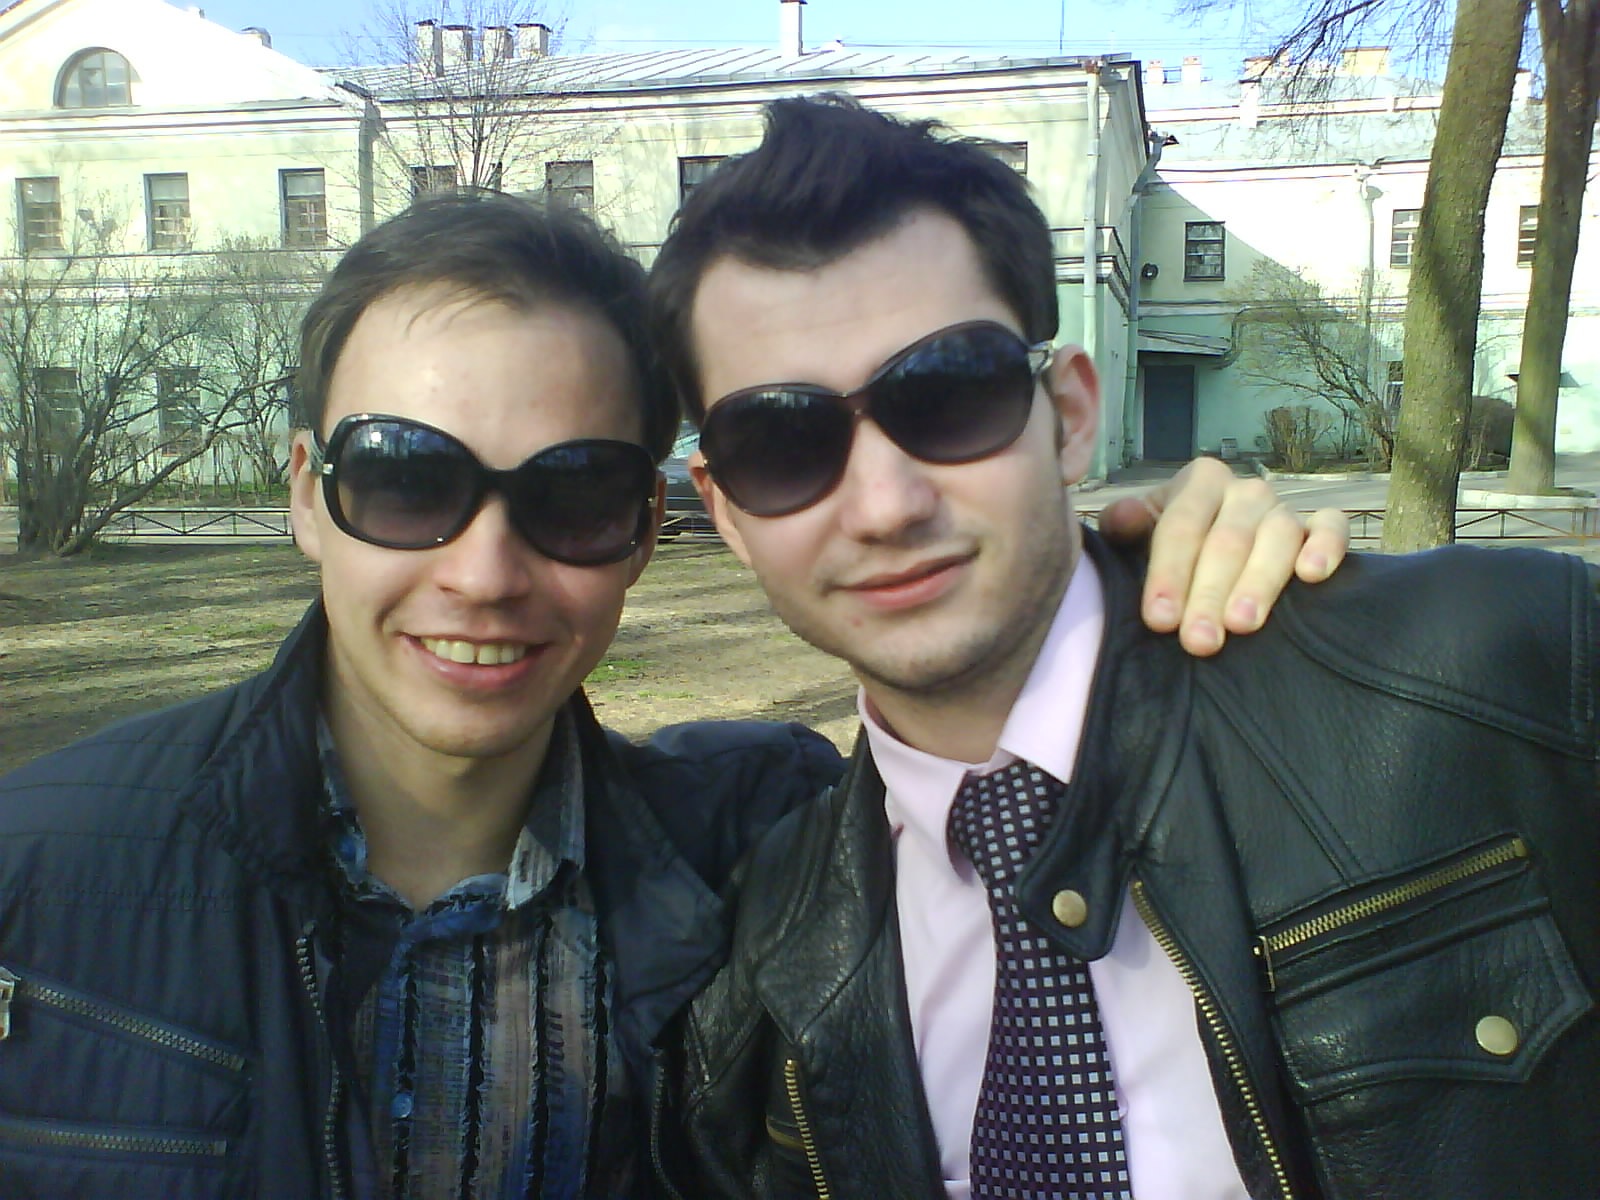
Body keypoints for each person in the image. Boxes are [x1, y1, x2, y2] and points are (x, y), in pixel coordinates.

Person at [0, 191, 1338, 1199]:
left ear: (647, 529)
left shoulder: (758, 853)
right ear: (309, 493)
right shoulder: (43, 880)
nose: (484, 574)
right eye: (407, 477)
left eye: (573, 493)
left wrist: (1177, 581)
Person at [645, 94, 1600, 1200]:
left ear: (1069, 416)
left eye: (948, 395)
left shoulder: (1490, 674)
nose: (885, 504)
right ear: (722, 507)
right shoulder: (763, 958)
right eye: (780, 440)